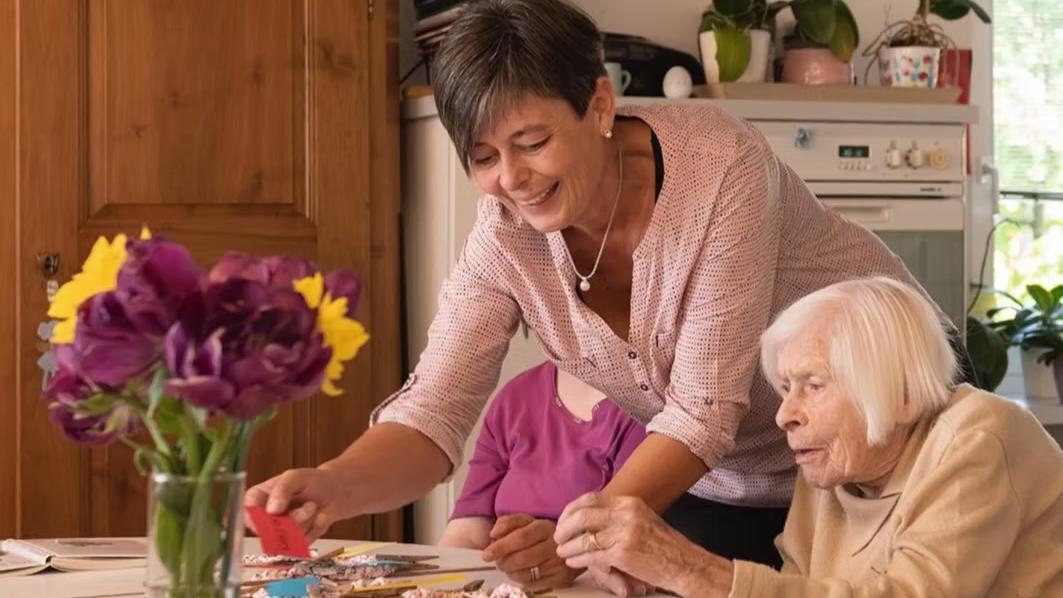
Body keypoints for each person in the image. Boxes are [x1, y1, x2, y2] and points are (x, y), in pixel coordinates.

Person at [245, 0, 971, 591]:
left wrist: (579, 536)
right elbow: (434, 411)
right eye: (484, 157)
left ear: (597, 105)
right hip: (732, 480)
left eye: (532, 142)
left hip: (889, 439)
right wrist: (333, 487)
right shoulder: (503, 238)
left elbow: (701, 411)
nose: (512, 179)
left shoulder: (720, 166)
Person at [554, 277, 1063, 597]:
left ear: (902, 396)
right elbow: (801, 587)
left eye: (813, 386)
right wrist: (664, 582)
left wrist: (691, 571)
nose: (785, 415)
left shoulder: (977, 437)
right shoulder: (837, 459)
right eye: (786, 388)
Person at [439, 361, 645, 590]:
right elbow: (466, 534)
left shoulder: (645, 408)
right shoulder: (514, 398)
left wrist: (564, 558)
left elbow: (618, 548)